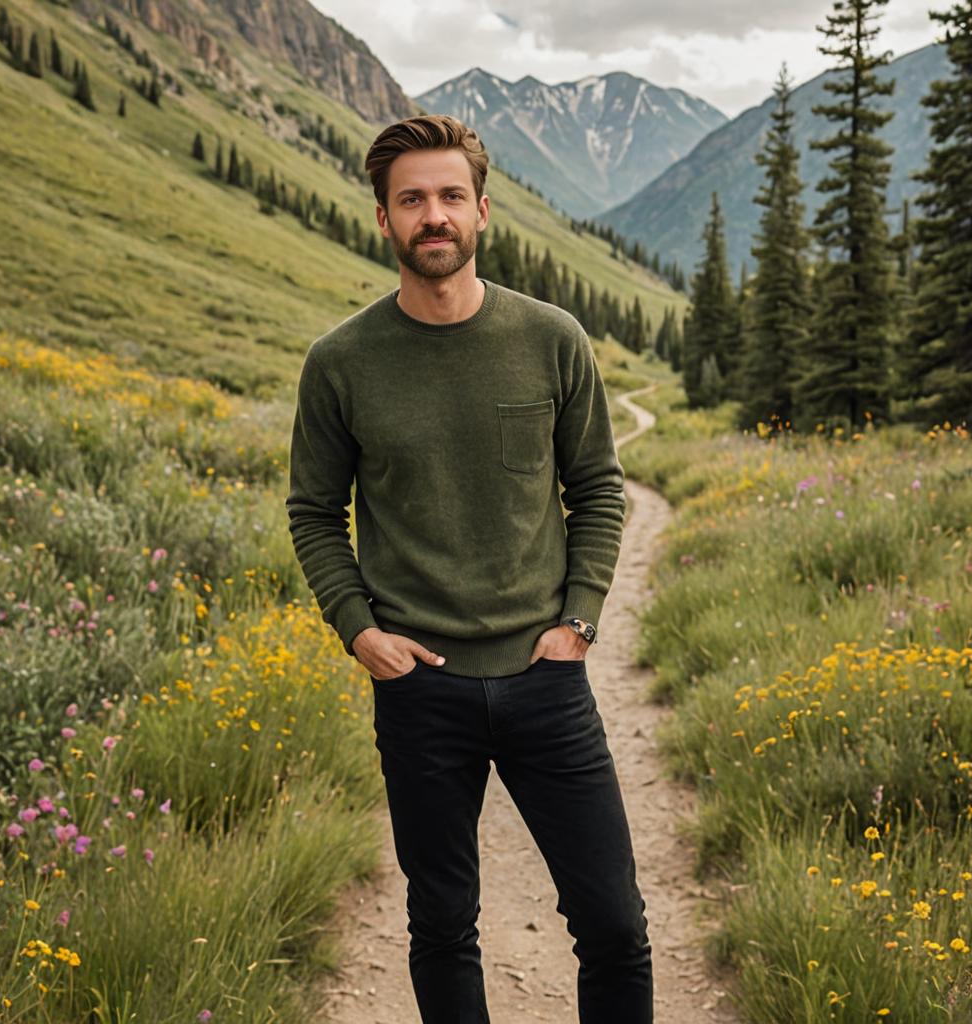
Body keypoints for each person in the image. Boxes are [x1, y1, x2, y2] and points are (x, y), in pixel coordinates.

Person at [285, 113, 653, 1023]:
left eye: (451, 196)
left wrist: (580, 621)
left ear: (483, 211)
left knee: (614, 924)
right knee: (442, 925)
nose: (433, 215)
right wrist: (359, 630)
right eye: (412, 200)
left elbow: (600, 487)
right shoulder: (340, 363)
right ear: (384, 220)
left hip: (545, 679)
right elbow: (313, 511)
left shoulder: (552, 338)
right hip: (421, 690)